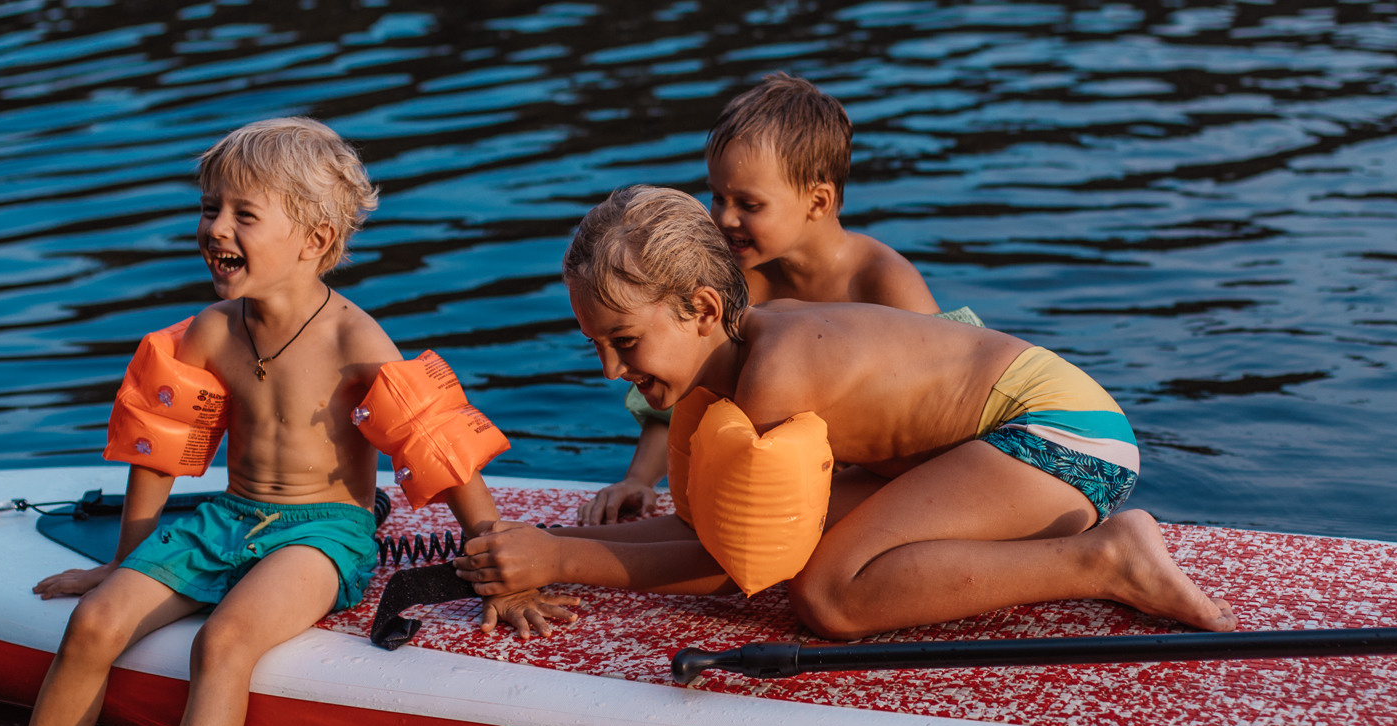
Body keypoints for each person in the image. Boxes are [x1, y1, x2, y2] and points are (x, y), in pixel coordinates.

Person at [23, 117, 563, 726]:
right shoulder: (210, 331)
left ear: (312, 239)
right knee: (95, 621)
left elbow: (439, 446)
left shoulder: (351, 341)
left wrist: (500, 565)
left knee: (225, 640)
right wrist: (127, 562)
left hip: (323, 531)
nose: (216, 228)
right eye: (210, 208)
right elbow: (159, 450)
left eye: (244, 214)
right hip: (230, 516)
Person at [459, 186, 1235, 641]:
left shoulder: (775, 373)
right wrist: (540, 539)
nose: (610, 370)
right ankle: (1083, 544)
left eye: (623, 342)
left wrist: (560, 563)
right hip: (980, 445)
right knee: (822, 549)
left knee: (826, 592)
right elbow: (702, 525)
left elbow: (735, 566)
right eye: (596, 345)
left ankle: (1104, 558)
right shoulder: (716, 370)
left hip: (1060, 435)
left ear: (700, 308)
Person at [582, 74, 976, 525]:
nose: (725, 217)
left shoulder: (881, 282)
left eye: (749, 205)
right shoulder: (740, 281)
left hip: (893, 467)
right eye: (716, 196)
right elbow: (683, 383)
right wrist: (640, 480)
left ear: (818, 200)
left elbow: (946, 397)